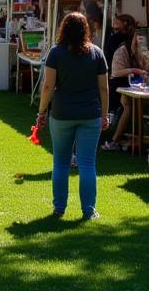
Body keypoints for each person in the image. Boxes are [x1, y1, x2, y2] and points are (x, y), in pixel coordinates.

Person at [36, 11, 110, 220]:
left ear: (63, 30)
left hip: (61, 114)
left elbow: (48, 86)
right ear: (86, 30)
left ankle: (59, 207)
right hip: (90, 114)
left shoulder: (56, 53)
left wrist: (41, 111)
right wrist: (105, 115)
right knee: (87, 163)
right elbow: (104, 88)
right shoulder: (97, 53)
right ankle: (89, 210)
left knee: (60, 162)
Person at [102, 14, 149, 150]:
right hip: (118, 84)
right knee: (127, 105)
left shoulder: (133, 50)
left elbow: (145, 67)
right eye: (137, 39)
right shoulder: (122, 49)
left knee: (132, 105)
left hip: (128, 84)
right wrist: (137, 70)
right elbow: (115, 72)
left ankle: (128, 137)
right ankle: (115, 139)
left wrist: (145, 68)